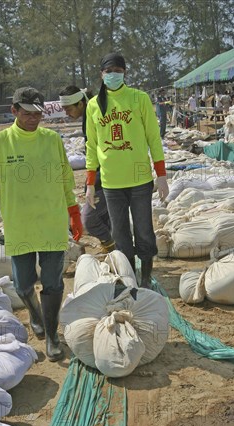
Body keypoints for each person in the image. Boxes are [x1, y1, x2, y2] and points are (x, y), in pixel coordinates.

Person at [0, 86, 83, 362]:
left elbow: (65, 178)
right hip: (19, 225)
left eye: (38, 113)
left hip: (51, 222)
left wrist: (73, 211)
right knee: (22, 285)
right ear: (14, 111)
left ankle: (52, 335)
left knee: (53, 283)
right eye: (27, 113)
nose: (34, 118)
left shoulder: (52, 140)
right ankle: (35, 313)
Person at [85, 53, 169, 288]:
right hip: (111, 182)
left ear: (125, 73)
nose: (113, 75)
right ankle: (130, 276)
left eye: (118, 71)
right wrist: (91, 183)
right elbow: (91, 146)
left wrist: (161, 176)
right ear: (102, 74)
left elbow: (154, 137)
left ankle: (145, 278)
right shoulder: (94, 105)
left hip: (140, 179)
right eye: (109, 71)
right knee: (120, 234)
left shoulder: (138, 99)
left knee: (144, 230)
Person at [59, 85, 114, 253]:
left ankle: (111, 245)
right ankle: (114, 249)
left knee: (89, 219)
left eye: (68, 109)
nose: (66, 113)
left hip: (107, 173)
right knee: (105, 216)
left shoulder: (94, 115)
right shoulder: (89, 116)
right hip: (99, 172)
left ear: (80, 104)